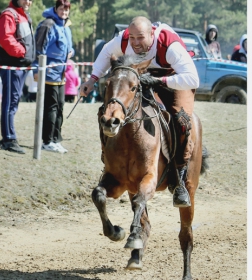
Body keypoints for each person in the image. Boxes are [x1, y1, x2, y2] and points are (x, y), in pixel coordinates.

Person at [79, 16, 199, 208]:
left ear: (152, 34)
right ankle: (107, 158)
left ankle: (179, 178)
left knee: (181, 119)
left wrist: (160, 82)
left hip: (173, 79)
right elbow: (105, 53)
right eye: (132, 37)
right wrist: (91, 80)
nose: (134, 43)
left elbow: (193, 80)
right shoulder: (122, 39)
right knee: (107, 111)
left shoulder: (170, 45)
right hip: (139, 77)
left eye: (140, 38)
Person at [33, 0, 74, 153]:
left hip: (62, 74)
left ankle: (56, 140)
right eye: (62, 9)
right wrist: (36, 70)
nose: (64, 12)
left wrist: (72, 52)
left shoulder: (66, 26)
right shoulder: (47, 25)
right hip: (49, 72)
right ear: (55, 8)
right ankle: (47, 140)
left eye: (67, 9)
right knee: (51, 107)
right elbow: (39, 49)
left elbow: (70, 48)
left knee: (60, 107)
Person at [0, 0, 35, 154]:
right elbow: (4, 37)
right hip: (12, 66)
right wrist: (22, 52)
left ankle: (9, 135)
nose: (28, 2)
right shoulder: (8, 14)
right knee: (10, 102)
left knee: (14, 101)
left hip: (21, 66)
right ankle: (8, 139)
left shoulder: (23, 15)